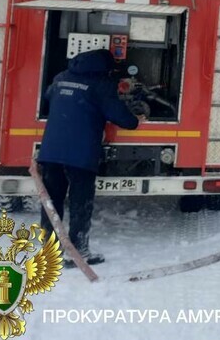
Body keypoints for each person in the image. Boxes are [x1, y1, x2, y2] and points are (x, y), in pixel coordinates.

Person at [38, 48, 145, 266]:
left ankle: (49, 249)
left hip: (51, 151)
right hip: (81, 153)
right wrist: (136, 120)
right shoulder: (100, 84)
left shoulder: (60, 77)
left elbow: (47, 98)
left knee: (51, 200)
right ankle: (79, 250)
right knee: (80, 202)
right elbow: (119, 116)